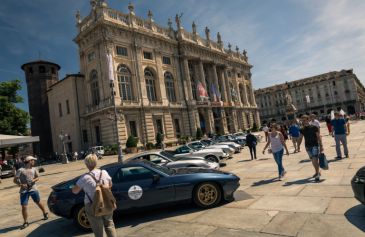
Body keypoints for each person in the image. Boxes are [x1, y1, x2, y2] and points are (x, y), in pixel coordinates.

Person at [72, 154, 117, 237]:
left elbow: (75, 191)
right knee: (109, 225)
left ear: (86, 164)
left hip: (92, 205)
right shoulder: (104, 172)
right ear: (96, 162)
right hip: (106, 202)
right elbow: (110, 185)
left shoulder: (84, 177)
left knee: (98, 229)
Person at [13, 156, 48, 229]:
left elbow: (37, 177)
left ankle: (44, 213)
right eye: (33, 160)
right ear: (29, 161)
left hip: (33, 189)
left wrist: (33, 180)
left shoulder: (34, 169)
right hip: (24, 191)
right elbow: (15, 180)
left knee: (38, 202)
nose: (34, 162)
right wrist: (21, 184)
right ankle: (25, 222)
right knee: (24, 206)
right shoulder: (21, 170)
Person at [298, 115, 324, 182]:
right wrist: (298, 146)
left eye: (305, 120)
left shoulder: (314, 127)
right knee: (313, 160)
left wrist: (321, 145)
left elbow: (318, 137)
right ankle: (317, 171)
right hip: (307, 147)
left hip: (315, 145)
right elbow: (300, 138)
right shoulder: (302, 129)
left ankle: (317, 174)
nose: (304, 121)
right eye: (302, 120)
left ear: (308, 120)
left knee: (315, 160)